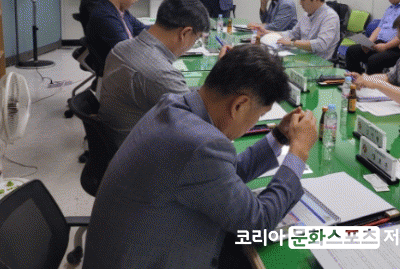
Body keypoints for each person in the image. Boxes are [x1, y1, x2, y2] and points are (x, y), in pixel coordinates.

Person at [82, 45, 318, 268]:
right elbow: (259, 223)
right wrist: (299, 151)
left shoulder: (174, 105)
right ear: (239, 105)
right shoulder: (201, 146)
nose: (255, 122)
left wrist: (279, 136)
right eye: (259, 115)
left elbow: (228, 174)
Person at [98, 0, 211, 147]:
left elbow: (182, 96)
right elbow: (199, 125)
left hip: (114, 141)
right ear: (184, 33)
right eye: (195, 39)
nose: (192, 45)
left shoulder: (121, 47)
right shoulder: (161, 74)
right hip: (139, 151)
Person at [85, 0, 147, 75]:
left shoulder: (120, 10)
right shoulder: (104, 15)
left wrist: (164, 29)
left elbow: (141, 28)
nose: (136, 0)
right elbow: (127, 51)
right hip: (118, 71)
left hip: (126, 63)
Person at [275, 0, 340, 60]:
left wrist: (292, 43)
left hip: (319, 63)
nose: (300, 3)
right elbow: (293, 34)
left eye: (303, 0)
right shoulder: (306, 14)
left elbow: (321, 44)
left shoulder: (330, 17)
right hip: (302, 57)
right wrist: (270, 33)